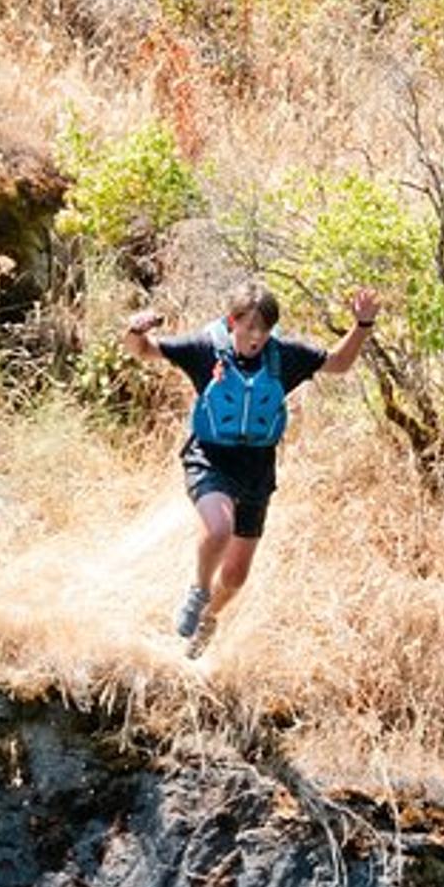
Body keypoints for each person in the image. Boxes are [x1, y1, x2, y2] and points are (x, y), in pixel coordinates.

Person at [123, 278, 379, 656]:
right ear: (233, 322)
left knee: (236, 575)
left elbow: (339, 363)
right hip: (210, 456)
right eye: (249, 327)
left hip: (257, 468)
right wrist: (134, 331)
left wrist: (363, 326)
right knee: (218, 529)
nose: (256, 336)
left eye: (264, 328)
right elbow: (143, 351)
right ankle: (198, 591)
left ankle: (209, 618)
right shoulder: (205, 348)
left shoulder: (284, 357)